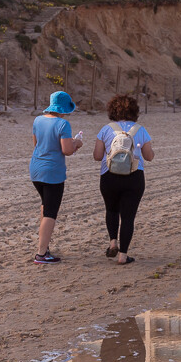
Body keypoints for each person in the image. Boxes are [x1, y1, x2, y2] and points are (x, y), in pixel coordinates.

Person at [92, 94, 155, 265]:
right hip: (133, 177)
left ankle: (113, 242)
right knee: (128, 217)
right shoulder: (140, 130)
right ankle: (123, 256)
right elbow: (149, 156)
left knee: (111, 210)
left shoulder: (106, 129)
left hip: (109, 176)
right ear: (135, 111)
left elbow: (97, 156)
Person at [30, 91, 83, 264]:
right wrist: (77, 143)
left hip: (36, 169)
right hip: (52, 172)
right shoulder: (63, 124)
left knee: (45, 207)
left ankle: (43, 246)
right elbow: (66, 150)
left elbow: (36, 143)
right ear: (64, 108)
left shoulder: (38, 120)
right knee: (50, 212)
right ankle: (41, 253)